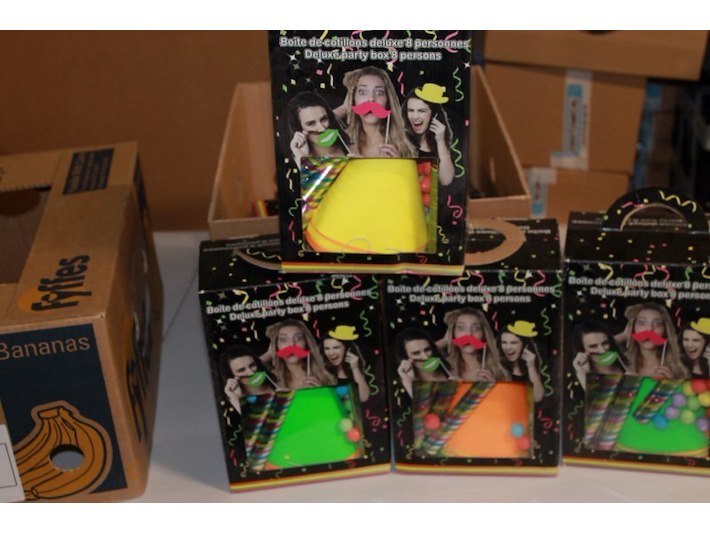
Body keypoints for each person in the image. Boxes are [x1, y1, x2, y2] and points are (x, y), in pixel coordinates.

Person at [339, 66, 416, 158]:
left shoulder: (408, 143)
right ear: (353, 100)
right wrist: (344, 108)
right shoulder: (343, 143)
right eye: (362, 92)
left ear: (388, 101)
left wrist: (398, 164)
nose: (371, 99)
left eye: (379, 92)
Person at [402, 86, 455, 185]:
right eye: (411, 110)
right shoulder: (401, 139)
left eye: (421, 111)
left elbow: (446, 180)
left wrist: (440, 141)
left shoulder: (440, 143)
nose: (415, 117)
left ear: (434, 114)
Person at [263, 319, 336, 390]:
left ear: (307, 344)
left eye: (298, 338)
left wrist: (322, 392)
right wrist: (268, 354)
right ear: (276, 346)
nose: (292, 344)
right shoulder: (270, 379)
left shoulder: (326, 374)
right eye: (283, 340)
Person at [621, 302, 688, 379]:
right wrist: (624, 335)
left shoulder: (678, 367)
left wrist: (670, 383)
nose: (650, 329)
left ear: (665, 331)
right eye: (642, 323)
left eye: (657, 324)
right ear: (633, 328)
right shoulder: (622, 363)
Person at [441, 307, 509, 382]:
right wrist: (444, 341)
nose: (469, 334)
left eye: (476, 328)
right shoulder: (444, 368)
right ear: (453, 334)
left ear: (484, 335)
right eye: (461, 328)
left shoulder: (498, 371)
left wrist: (495, 386)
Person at [284, 91, 348, 169]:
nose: (322, 128)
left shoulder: (348, 145)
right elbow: (313, 176)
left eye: (324, 119)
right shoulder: (298, 158)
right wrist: (302, 156)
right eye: (311, 123)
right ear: (298, 128)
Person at [570, 320, 626, 391]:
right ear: (581, 350)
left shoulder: (625, 364)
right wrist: (582, 374)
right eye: (593, 346)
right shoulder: (580, 376)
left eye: (605, 343)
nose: (602, 350)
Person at [321, 326, 371, 402]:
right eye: (327, 348)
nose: (331, 353)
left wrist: (355, 368)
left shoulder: (355, 370)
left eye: (336, 347)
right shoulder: (321, 370)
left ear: (347, 349)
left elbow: (363, 397)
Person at [497, 321, 545, 402]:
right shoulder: (496, 365)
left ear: (525, 345)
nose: (508, 347)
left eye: (513, 343)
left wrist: (531, 366)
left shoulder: (531, 365)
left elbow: (537, 397)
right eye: (504, 342)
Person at [219, 345, 275, 414]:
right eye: (241, 370)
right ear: (230, 375)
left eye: (252, 365)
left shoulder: (273, 378)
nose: (251, 372)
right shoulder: (233, 401)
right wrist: (235, 398)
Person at [395, 328, 450, 397]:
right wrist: (408, 380)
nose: (425, 357)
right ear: (405, 357)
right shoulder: (406, 383)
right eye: (416, 353)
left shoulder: (448, 367)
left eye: (427, 349)